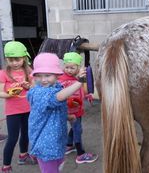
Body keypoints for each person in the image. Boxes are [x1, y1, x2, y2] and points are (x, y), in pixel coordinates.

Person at [27, 53, 87, 173]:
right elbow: (58, 98)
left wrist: (67, 116)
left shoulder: (55, 86)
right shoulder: (39, 92)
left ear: (57, 75)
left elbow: (53, 111)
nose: (43, 80)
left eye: (48, 75)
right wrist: (79, 82)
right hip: (45, 143)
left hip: (57, 141)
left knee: (58, 166)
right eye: (39, 76)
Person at [0, 41, 36, 172]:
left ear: (24, 58)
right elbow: (0, 92)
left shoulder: (28, 70)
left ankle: (23, 155)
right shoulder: (3, 73)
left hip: (28, 109)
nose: (14, 63)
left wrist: (28, 86)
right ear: (6, 59)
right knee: (13, 138)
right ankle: (6, 166)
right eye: (10, 60)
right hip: (13, 111)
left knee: (26, 134)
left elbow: (34, 87)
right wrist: (8, 94)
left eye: (17, 59)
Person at [58, 52, 98, 164]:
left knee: (75, 128)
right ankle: (80, 154)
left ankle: (69, 145)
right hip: (68, 110)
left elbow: (81, 90)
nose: (69, 70)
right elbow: (59, 93)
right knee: (78, 130)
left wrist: (87, 95)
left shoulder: (79, 78)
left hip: (78, 109)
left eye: (72, 67)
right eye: (67, 67)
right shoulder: (61, 78)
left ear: (78, 67)